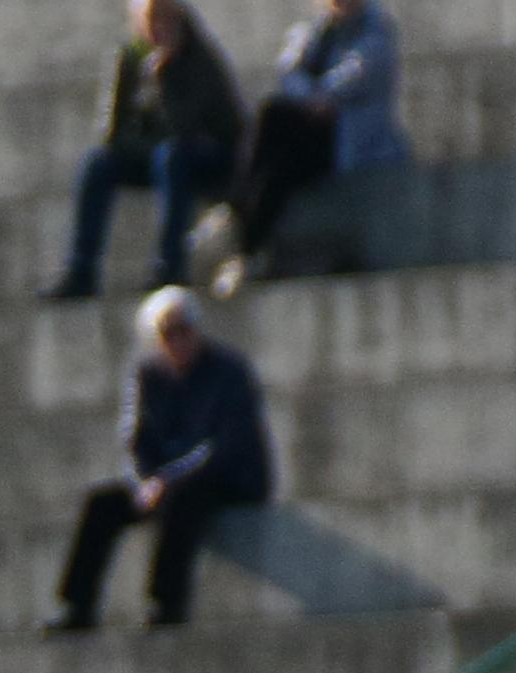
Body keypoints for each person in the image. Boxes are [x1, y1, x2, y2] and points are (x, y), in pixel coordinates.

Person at [56, 289, 277, 636]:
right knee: (101, 504)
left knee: (183, 498)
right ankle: (77, 606)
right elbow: (135, 439)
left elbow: (225, 447)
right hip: (163, 481)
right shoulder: (146, 374)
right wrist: (145, 481)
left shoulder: (229, 370)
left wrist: (166, 481)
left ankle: (166, 603)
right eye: (167, 334)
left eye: (183, 330)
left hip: (227, 477)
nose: (177, 341)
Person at [60, 0, 245, 298]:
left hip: (206, 153)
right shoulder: (128, 57)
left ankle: (170, 265)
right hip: (154, 152)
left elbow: (188, 127)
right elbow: (110, 132)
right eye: (152, 21)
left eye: (165, 20)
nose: (159, 29)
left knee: (170, 156)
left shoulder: (198, 58)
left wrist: (165, 77)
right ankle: (81, 271)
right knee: (98, 163)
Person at [226, 0, 405, 285]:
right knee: (276, 169)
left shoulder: (376, 30)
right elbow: (288, 70)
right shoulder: (315, 30)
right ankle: (247, 249)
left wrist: (318, 97)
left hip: (346, 141)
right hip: (310, 132)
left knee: (273, 117)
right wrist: (313, 100)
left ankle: (235, 212)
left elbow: (357, 73)